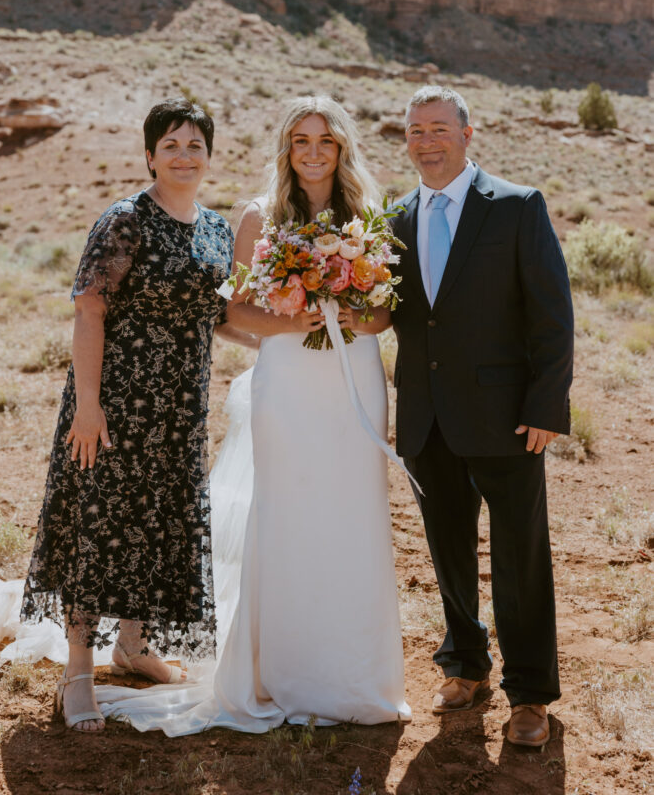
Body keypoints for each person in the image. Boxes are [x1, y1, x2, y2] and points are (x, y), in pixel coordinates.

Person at [85, 94, 410, 734]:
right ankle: (280, 672)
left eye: (325, 141)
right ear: (286, 151)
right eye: (301, 141)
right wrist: (298, 318)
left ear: (342, 149)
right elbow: (233, 312)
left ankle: (355, 676)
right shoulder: (261, 217)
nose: (313, 152)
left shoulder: (370, 217)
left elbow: (384, 313)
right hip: (288, 383)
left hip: (353, 382)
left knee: (354, 515)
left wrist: (349, 315)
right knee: (286, 514)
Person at [21, 97, 241, 732]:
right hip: (114, 401)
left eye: (195, 144)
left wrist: (296, 335)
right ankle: (79, 670)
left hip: (179, 407)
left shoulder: (217, 230)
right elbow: (89, 309)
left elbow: (219, 316)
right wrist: (86, 409)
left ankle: (134, 646)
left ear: (209, 157)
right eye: (170, 144)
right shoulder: (125, 221)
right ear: (149, 155)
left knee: (158, 516)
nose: (183, 155)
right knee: (102, 521)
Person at [390, 85, 573, 749]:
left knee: (520, 557)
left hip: (508, 417)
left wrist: (547, 405)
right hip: (426, 418)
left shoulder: (517, 206)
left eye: (438, 128)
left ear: (468, 135)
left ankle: (529, 693)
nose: (425, 140)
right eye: (414, 131)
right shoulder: (395, 217)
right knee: (446, 550)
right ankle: (464, 665)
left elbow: (551, 313)